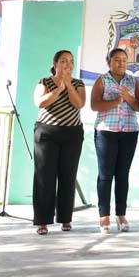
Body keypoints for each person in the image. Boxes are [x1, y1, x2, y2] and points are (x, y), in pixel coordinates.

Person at [90, 48, 139, 234]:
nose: (121, 63)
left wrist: (127, 98)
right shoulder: (102, 80)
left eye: (124, 60)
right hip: (106, 131)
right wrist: (116, 101)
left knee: (122, 175)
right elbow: (94, 104)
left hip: (129, 131)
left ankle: (121, 214)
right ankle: (104, 216)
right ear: (109, 62)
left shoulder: (133, 80)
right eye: (117, 60)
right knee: (105, 175)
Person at [32, 50, 86, 235]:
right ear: (55, 64)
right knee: (44, 177)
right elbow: (39, 103)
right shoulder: (44, 82)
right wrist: (58, 89)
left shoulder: (78, 83)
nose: (68, 65)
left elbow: (79, 104)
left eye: (71, 61)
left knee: (67, 177)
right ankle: (42, 221)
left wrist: (68, 86)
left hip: (72, 134)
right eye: (63, 61)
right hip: (47, 133)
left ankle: (65, 219)